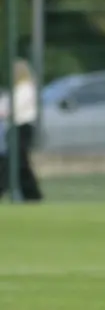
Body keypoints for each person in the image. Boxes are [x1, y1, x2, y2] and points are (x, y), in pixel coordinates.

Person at [0, 58, 43, 203]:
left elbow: (11, 108)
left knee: (16, 161)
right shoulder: (17, 89)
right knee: (18, 162)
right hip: (15, 128)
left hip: (22, 127)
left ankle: (32, 194)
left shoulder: (26, 89)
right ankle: (31, 195)